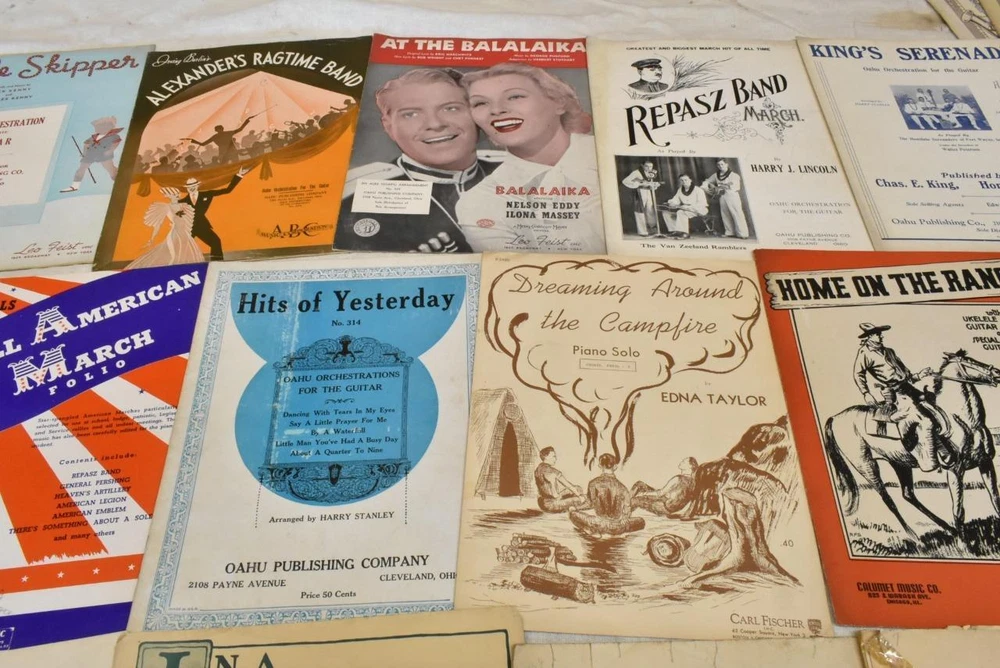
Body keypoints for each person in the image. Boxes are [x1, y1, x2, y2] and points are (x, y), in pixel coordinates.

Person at [336, 68, 503, 253]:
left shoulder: (515, 168)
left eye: (451, 108)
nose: (435, 124)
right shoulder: (351, 197)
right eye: (411, 114)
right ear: (388, 127)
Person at [453, 62, 604, 253]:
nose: (497, 110)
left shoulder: (612, 157)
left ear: (558, 102)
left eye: (515, 96)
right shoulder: (478, 201)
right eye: (480, 103)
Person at [853, 322, 946, 472]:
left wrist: (920, 375)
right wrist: (866, 393)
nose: (881, 336)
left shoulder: (889, 351)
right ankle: (928, 461)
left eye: (880, 334)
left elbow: (907, 375)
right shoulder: (864, 353)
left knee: (930, 403)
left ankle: (941, 448)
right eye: (877, 334)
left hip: (907, 388)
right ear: (869, 337)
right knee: (925, 420)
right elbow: (858, 374)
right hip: (893, 392)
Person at [179, 164, 252, 262]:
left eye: (193, 186)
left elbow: (227, 190)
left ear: (197, 186)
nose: (191, 188)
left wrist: (239, 175)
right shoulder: (181, 201)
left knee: (216, 242)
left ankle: (217, 263)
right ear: (186, 189)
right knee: (181, 246)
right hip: (188, 227)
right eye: (189, 187)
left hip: (202, 226)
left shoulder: (207, 194)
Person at [125, 187, 204, 269]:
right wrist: (152, 238)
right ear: (169, 196)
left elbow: (188, 220)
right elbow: (158, 224)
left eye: (177, 193)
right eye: (173, 194)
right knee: (174, 254)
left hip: (184, 233)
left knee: (186, 252)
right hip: (175, 233)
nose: (177, 195)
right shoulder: (166, 207)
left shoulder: (184, 206)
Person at [568, 453, 644, 537]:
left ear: (600, 466)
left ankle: (592, 530)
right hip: (617, 526)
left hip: (598, 523)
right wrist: (624, 520)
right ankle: (613, 533)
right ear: (615, 467)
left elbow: (589, 503)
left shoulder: (593, 483)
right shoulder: (622, 487)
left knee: (572, 513)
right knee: (641, 521)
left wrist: (576, 508)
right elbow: (627, 509)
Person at [60, 116, 123, 193]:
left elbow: (116, 143)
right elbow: (86, 144)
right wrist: (84, 153)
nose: (96, 128)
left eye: (98, 126)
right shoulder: (94, 137)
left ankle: (119, 181)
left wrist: (110, 150)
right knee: (81, 169)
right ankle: (75, 186)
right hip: (90, 154)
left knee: (110, 169)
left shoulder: (113, 136)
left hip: (104, 154)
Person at [630, 457, 698, 517]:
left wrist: (644, 494)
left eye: (684, 461)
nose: (681, 462)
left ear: (690, 466)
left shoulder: (678, 478)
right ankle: (627, 505)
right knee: (640, 484)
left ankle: (625, 510)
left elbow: (660, 493)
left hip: (663, 506)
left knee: (634, 500)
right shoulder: (693, 482)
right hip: (670, 506)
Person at [182, 114, 259, 164]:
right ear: (219, 130)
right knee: (229, 165)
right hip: (227, 152)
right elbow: (203, 144)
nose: (220, 131)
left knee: (231, 165)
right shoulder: (223, 134)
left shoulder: (220, 135)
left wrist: (247, 120)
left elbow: (203, 144)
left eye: (220, 129)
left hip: (227, 152)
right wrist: (192, 140)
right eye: (219, 129)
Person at [701, 159, 749, 239]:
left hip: (732, 195)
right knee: (725, 214)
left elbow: (735, 186)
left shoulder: (734, 175)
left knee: (737, 214)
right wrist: (707, 187)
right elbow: (708, 181)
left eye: (722, 164)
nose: (720, 166)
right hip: (722, 196)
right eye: (718, 165)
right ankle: (730, 232)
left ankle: (743, 233)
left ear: (726, 164)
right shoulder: (716, 175)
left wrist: (719, 186)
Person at [534, 447, 586, 513]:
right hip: (552, 504)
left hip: (541, 503)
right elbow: (567, 487)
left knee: (578, 488)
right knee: (580, 498)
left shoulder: (538, 469)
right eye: (554, 456)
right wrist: (580, 497)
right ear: (546, 457)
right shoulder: (552, 471)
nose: (555, 459)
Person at [622, 160, 663, 237]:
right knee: (640, 211)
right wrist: (639, 184)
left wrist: (655, 185)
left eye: (651, 166)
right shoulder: (636, 172)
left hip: (648, 192)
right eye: (647, 166)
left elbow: (650, 183)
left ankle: (652, 230)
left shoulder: (652, 173)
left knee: (650, 210)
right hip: (640, 192)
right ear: (642, 166)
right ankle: (642, 231)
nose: (649, 168)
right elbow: (625, 181)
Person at [664, 174, 708, 238]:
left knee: (680, 212)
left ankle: (684, 233)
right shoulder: (680, 190)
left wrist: (688, 207)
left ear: (690, 180)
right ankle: (675, 231)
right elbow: (676, 199)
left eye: (686, 180)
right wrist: (671, 202)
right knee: (666, 213)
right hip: (685, 209)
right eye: (682, 180)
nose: (684, 182)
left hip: (699, 209)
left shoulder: (698, 190)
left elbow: (701, 204)